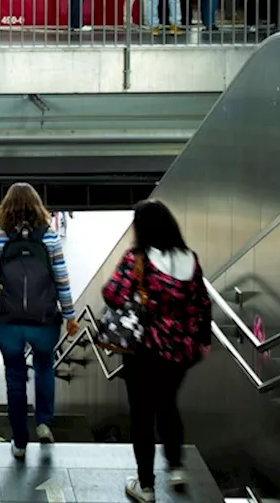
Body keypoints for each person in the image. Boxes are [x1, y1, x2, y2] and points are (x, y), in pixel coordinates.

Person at [105, 200, 211, 502]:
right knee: (168, 405)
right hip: (180, 351)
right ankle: (176, 467)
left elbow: (113, 295)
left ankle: (147, 486)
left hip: (143, 350)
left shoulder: (136, 258)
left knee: (142, 416)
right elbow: (202, 302)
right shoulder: (190, 259)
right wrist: (203, 339)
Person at [0, 183, 78, 461]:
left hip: (9, 319)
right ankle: (45, 422)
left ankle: (20, 441)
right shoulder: (49, 237)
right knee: (44, 366)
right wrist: (70, 316)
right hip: (44, 318)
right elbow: (61, 278)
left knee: (14, 374)